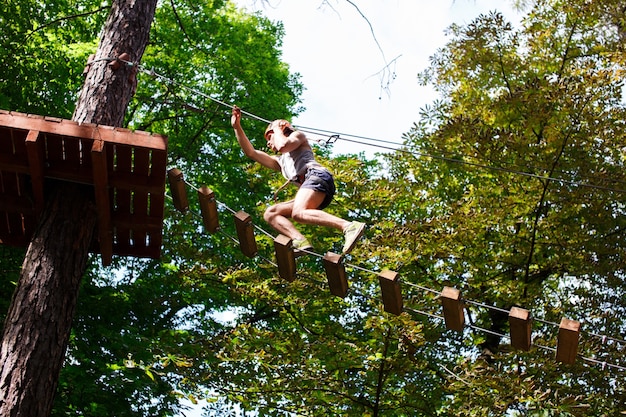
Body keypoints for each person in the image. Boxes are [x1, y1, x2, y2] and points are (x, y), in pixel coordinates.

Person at [230, 106, 365, 256]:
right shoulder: (281, 162)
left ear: (280, 131)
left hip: (317, 177)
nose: (268, 144)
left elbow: (283, 146)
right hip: (312, 186)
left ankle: (348, 226)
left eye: (270, 138)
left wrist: (276, 128)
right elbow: (251, 153)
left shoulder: (298, 137)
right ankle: (300, 241)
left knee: (298, 213)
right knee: (271, 213)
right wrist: (237, 127)